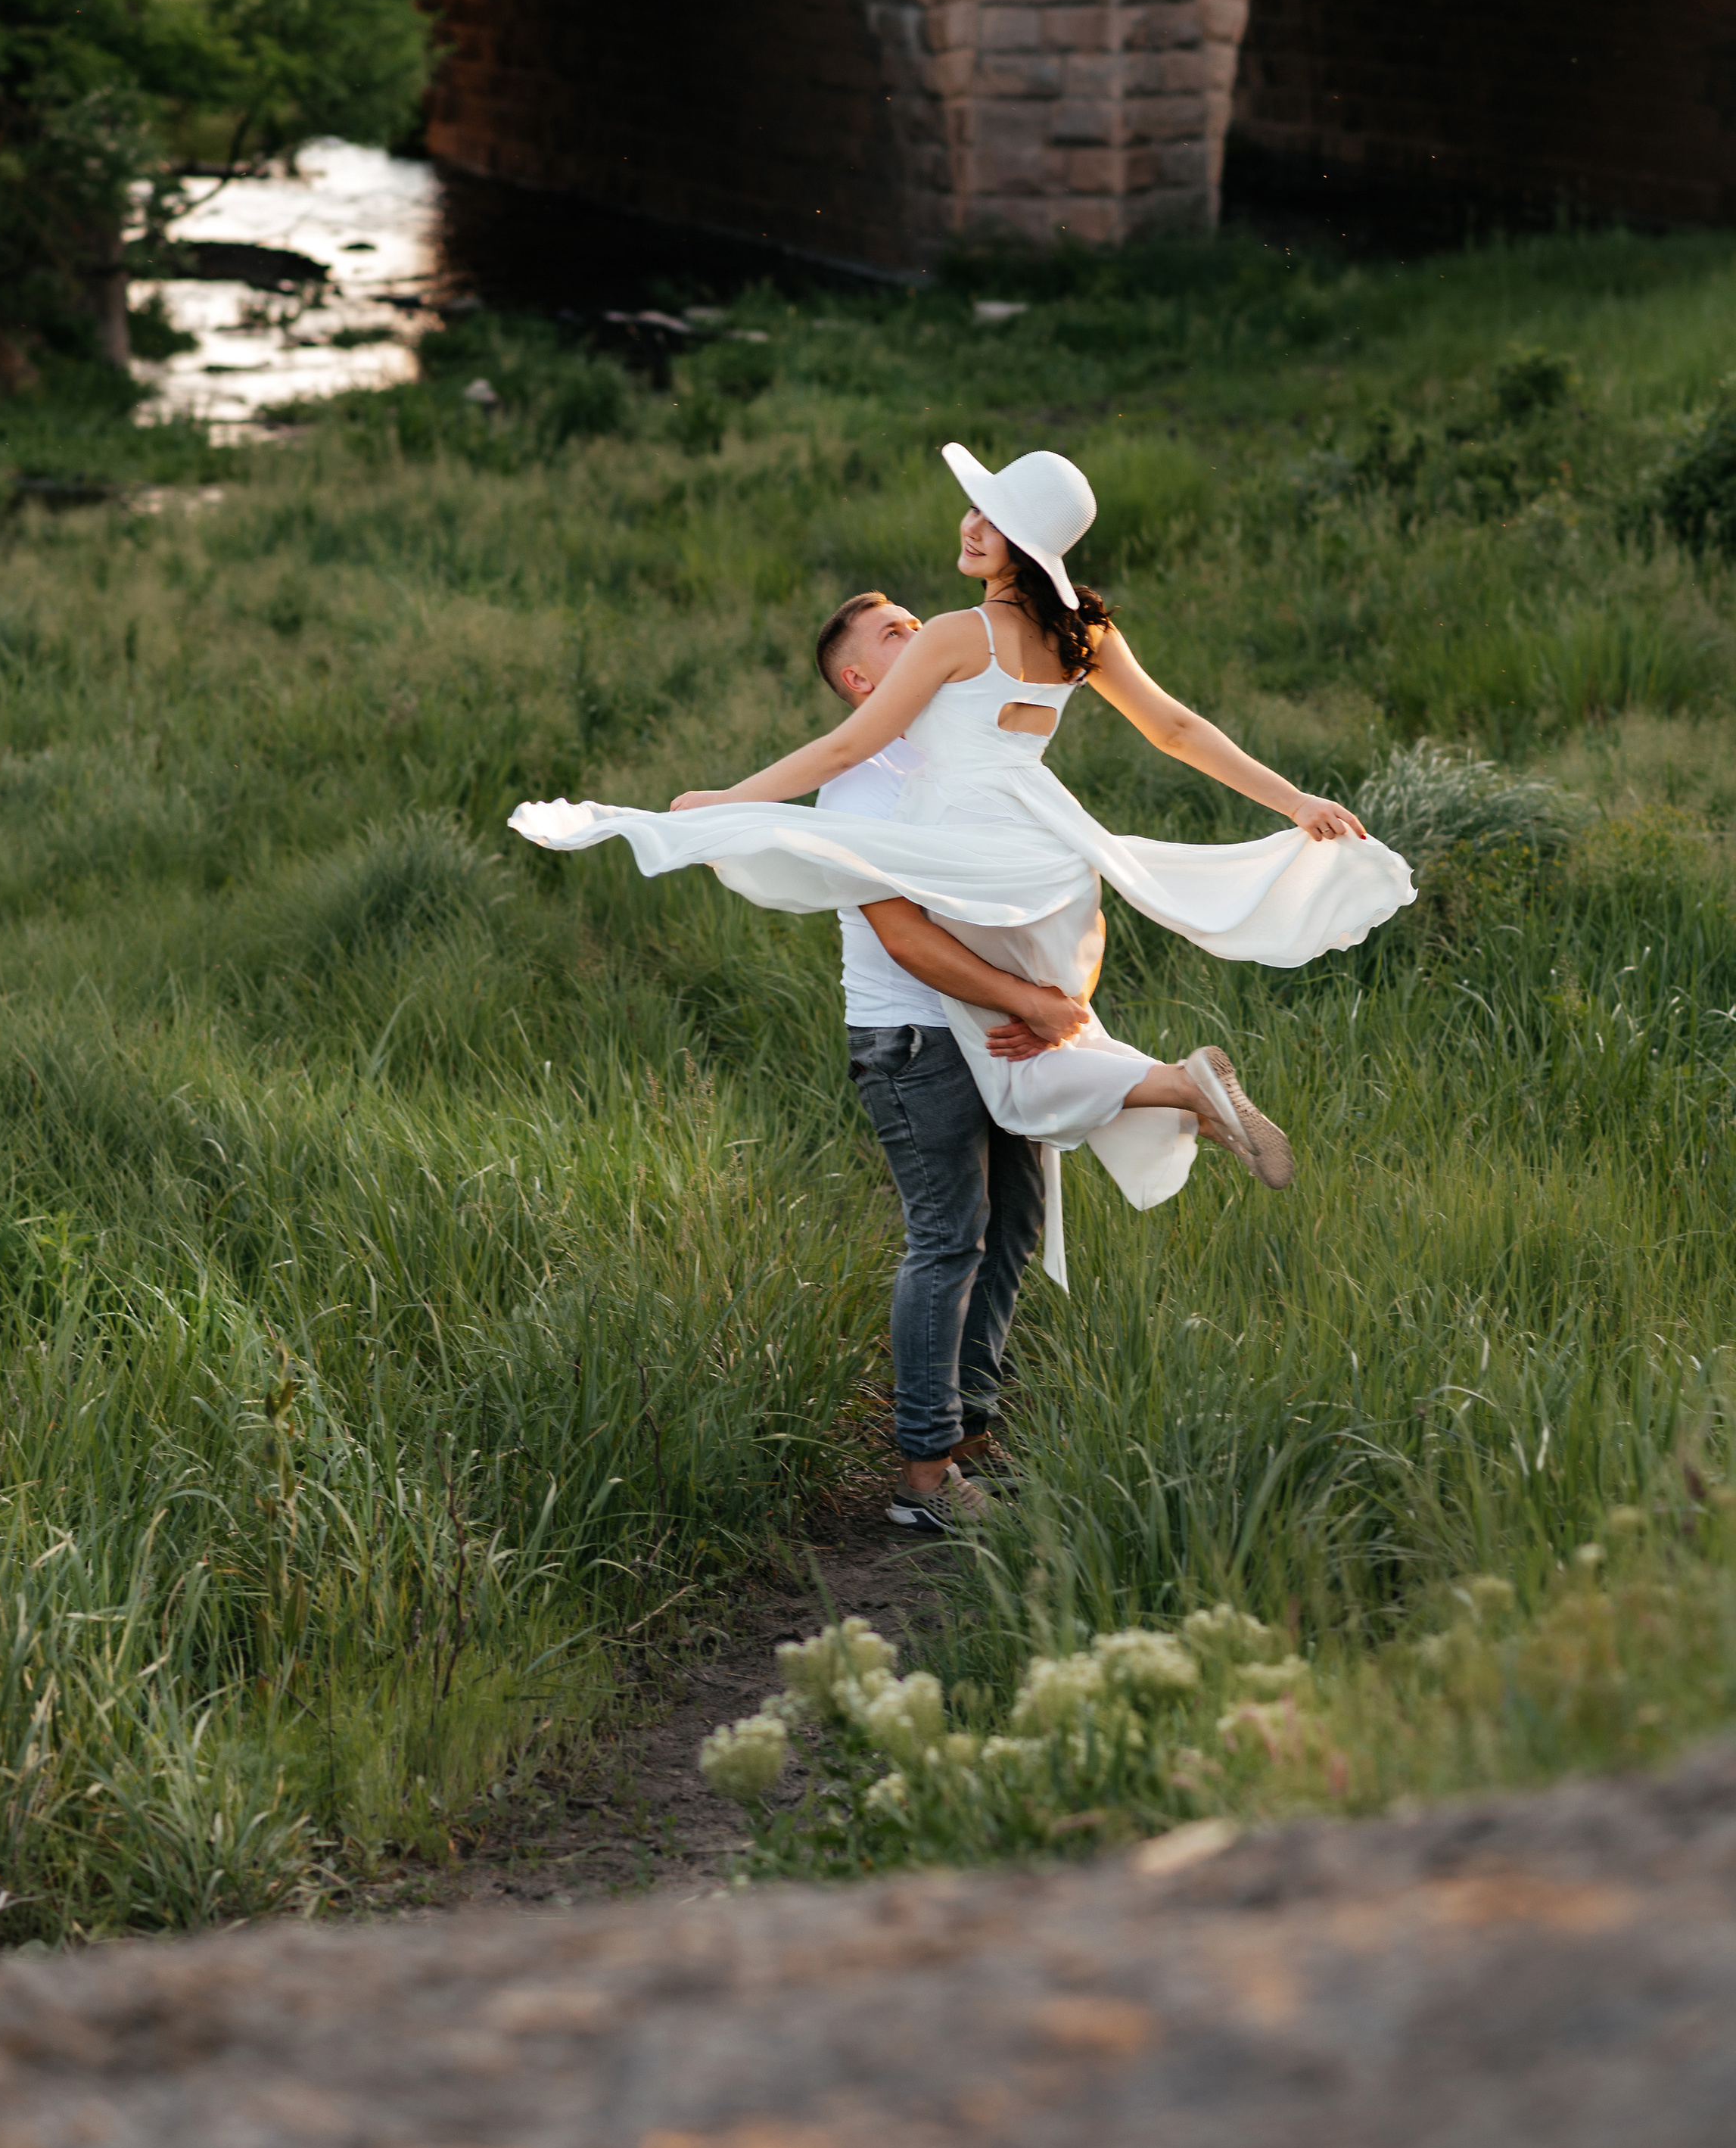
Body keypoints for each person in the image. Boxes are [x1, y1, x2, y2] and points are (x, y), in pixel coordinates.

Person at [513, 442, 1414, 1525]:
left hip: (965, 865)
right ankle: (1168, 1089)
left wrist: (715, 806)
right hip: (1044, 865)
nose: (965, 528)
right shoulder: (1083, 630)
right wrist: (1292, 796)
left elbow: (846, 744)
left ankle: (932, 1475)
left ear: (1014, 537)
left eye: (982, 516)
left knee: (973, 1200)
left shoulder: (955, 635)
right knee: (1032, 1101)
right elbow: (1177, 728)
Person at [810, 589, 1089, 1535]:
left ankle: (971, 1435)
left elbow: (1060, 882)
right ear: (861, 681)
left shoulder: (971, 764)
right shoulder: (856, 786)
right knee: (948, 1239)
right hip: (917, 1039)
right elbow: (904, 939)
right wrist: (1026, 1002)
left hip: (1003, 1029)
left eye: (919, 624)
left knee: (1014, 1224)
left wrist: (1059, 1001)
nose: (924, 636)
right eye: (896, 635)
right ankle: (923, 1479)